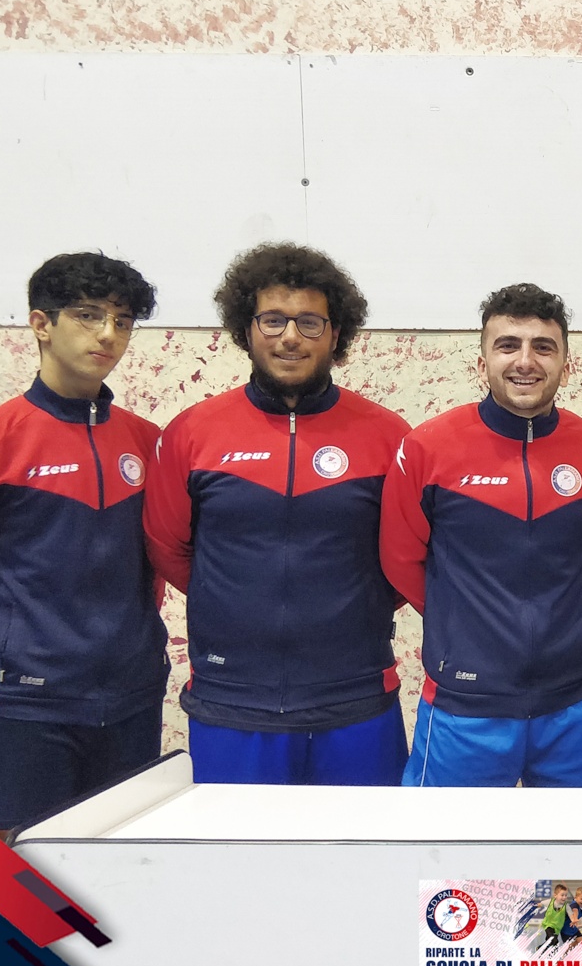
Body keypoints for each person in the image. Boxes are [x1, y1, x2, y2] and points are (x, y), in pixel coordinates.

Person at [0, 253, 168, 834]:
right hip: (24, 713)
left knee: (125, 872)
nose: (108, 334)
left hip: (132, 702)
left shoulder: (148, 442)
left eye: (123, 321)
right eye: (88, 315)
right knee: (25, 881)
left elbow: (155, 567)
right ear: (41, 324)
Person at [145, 244, 410, 786]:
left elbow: (406, 556)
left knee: (367, 845)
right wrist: (234, 602)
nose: (291, 336)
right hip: (231, 701)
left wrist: (353, 609)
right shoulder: (192, 432)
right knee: (237, 845)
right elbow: (168, 546)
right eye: (273, 320)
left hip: (356, 699)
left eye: (310, 322)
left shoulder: (388, 435)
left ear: (336, 335)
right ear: (247, 330)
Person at [380, 284, 582, 787]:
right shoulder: (427, 448)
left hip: (576, 704)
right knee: (442, 843)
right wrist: (466, 620)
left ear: (565, 365)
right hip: (464, 709)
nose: (525, 361)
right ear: (483, 362)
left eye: (543, 347)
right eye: (508, 345)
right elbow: (400, 559)